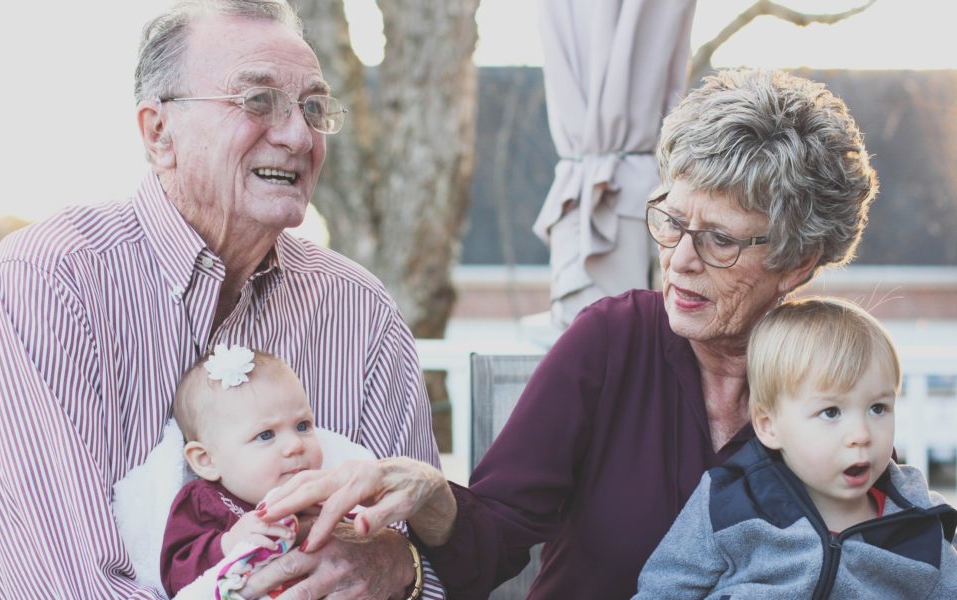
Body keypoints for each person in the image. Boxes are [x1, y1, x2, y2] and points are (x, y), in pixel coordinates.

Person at [257, 68, 882, 597]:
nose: (680, 258)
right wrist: (431, 496)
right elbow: (491, 543)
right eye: (670, 219)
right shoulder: (612, 342)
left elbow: (884, 553)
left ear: (797, 262)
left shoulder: (837, 376)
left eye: (719, 238)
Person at [0, 1, 444, 598]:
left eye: (313, 108)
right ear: (159, 133)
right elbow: (58, 584)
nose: (297, 135)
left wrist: (398, 567)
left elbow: (424, 555)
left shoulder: (360, 311)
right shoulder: (53, 281)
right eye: (257, 100)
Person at [635, 298, 957, 598]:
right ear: (768, 426)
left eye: (878, 408)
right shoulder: (730, 502)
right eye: (831, 412)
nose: (861, 434)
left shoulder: (919, 523)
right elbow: (661, 591)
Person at [160, 345, 323, 596]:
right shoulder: (205, 501)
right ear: (206, 460)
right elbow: (175, 574)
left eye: (303, 425)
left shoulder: (323, 495)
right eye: (266, 434)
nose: (296, 444)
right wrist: (227, 544)